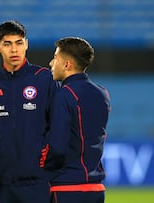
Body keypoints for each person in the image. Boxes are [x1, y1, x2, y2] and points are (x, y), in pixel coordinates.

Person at [0, 20, 59, 203]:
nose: (14, 50)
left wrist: (48, 159)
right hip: (2, 184)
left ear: (27, 44)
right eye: (7, 44)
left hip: (38, 182)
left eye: (19, 43)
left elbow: (58, 125)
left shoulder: (45, 79)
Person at [39, 37, 111, 203]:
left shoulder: (64, 95)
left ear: (67, 65)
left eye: (55, 58)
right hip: (95, 189)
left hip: (67, 188)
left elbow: (57, 146)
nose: (50, 63)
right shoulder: (102, 93)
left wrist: (41, 167)